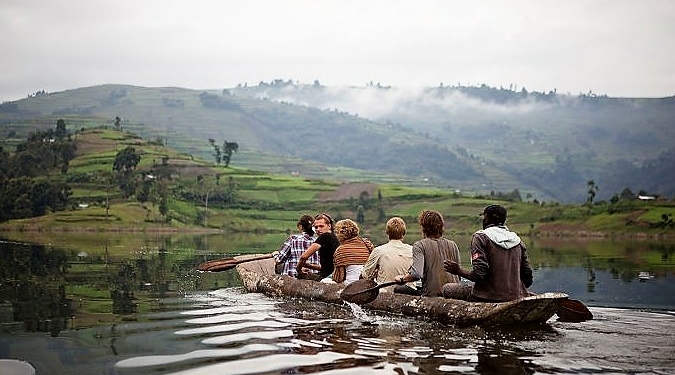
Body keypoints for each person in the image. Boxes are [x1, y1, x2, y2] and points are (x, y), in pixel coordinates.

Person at [442, 204, 534, 302]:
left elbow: (479, 274)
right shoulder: (518, 241)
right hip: (516, 296)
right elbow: (528, 277)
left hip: (488, 297)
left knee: (447, 288)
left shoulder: (480, 238)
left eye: (484, 217)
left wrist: (458, 270)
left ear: (487, 218)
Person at [393, 210, 460, 296]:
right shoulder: (453, 245)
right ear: (441, 226)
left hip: (432, 296)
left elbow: (416, 274)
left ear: (424, 227)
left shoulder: (420, 245)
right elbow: (458, 275)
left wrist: (402, 279)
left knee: (399, 289)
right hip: (454, 294)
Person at [361, 217, 415, 293]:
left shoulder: (378, 250)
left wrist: (375, 274)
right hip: (409, 293)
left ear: (387, 232)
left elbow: (365, 274)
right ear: (404, 233)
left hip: (385, 293)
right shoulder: (413, 250)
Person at [296, 212, 339, 280]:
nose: (318, 229)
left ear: (329, 226)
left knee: (298, 277)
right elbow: (327, 268)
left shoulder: (325, 236)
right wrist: (310, 266)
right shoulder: (335, 237)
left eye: (321, 226)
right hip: (333, 274)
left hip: (326, 277)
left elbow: (303, 257)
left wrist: (299, 270)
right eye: (316, 227)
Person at [330, 218, 373, 284]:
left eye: (337, 232)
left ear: (341, 234)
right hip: (368, 283)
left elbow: (339, 278)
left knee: (324, 281)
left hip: (351, 284)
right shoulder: (366, 244)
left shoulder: (341, 250)